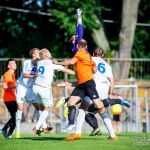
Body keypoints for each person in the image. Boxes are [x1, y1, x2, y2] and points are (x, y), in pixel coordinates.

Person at [56, 48, 130, 141]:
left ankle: (77, 133)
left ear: (92, 53)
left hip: (93, 86)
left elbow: (83, 79)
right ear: (102, 55)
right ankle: (112, 135)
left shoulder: (89, 60)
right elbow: (111, 81)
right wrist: (110, 93)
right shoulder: (107, 65)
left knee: (82, 108)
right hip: (104, 87)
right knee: (101, 110)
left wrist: (69, 84)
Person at [32, 48, 75, 135]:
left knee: (41, 108)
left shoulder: (39, 63)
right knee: (47, 109)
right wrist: (75, 73)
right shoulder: (50, 63)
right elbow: (66, 70)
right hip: (44, 88)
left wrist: (53, 74)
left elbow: (43, 69)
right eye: (49, 52)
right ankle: (36, 128)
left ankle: (44, 128)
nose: (51, 53)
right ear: (46, 55)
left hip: (35, 87)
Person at [15, 48, 48, 138]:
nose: (40, 54)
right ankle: (17, 131)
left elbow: (45, 70)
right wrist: (34, 75)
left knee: (39, 107)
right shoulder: (27, 62)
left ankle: (42, 128)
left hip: (30, 88)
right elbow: (25, 75)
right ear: (33, 54)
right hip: (21, 86)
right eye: (38, 52)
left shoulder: (40, 63)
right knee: (20, 108)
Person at [0, 59, 17, 138]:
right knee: (16, 116)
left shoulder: (12, 74)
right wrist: (16, 85)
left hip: (12, 98)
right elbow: (5, 86)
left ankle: (7, 132)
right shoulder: (8, 74)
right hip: (9, 99)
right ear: (8, 66)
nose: (15, 64)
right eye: (12, 63)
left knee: (15, 117)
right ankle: (5, 131)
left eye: (15, 63)